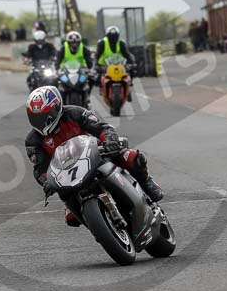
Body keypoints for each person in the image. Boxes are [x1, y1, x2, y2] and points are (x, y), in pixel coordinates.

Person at [24, 86, 163, 227]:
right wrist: (46, 181)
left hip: (96, 155)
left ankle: (146, 183)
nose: (40, 121)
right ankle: (99, 226)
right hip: (68, 175)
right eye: (35, 117)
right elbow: (39, 168)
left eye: (44, 115)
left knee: (134, 158)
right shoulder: (33, 140)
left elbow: (102, 127)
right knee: (71, 217)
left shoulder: (75, 113)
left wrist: (110, 141)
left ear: (56, 106)